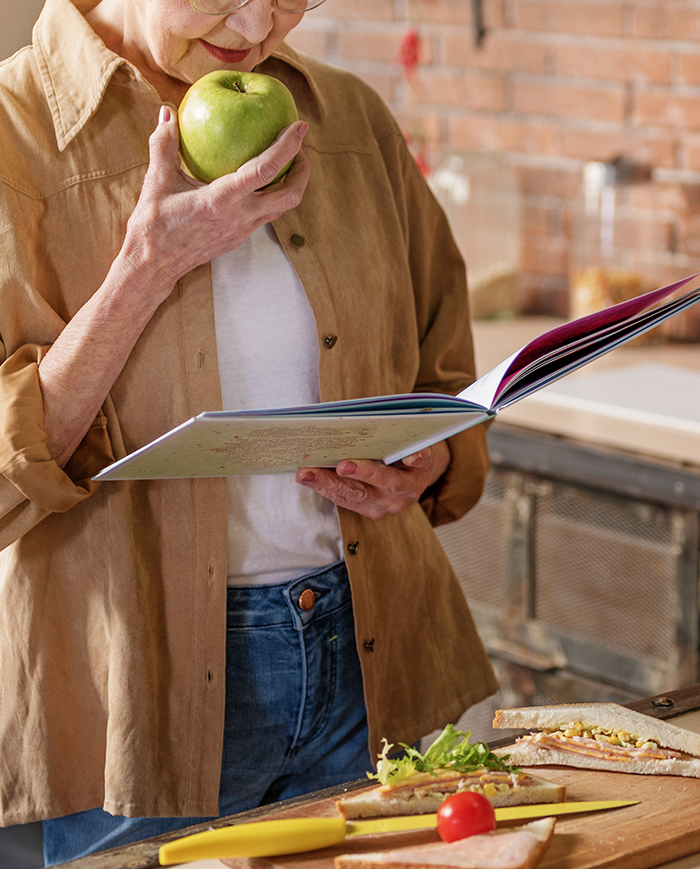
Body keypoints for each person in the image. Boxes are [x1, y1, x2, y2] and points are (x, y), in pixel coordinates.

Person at [0, 0, 497, 863]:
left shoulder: (347, 118)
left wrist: (433, 452)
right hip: (140, 702)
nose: (261, 22)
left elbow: (447, 374)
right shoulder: (16, 132)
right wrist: (146, 266)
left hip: (373, 662)